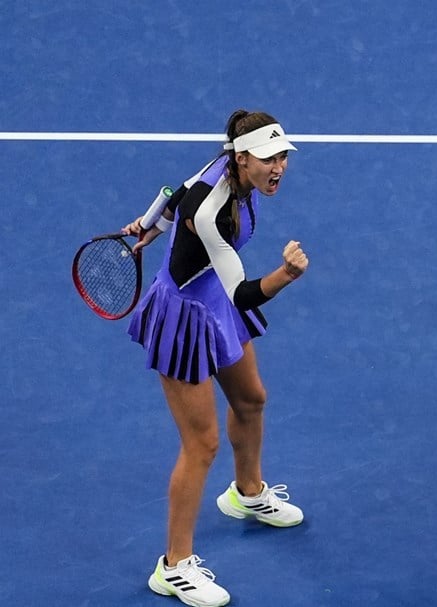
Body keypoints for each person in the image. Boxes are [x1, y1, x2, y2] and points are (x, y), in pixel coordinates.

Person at [122, 109, 308, 606]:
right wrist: (286, 275)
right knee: (201, 444)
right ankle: (174, 567)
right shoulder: (211, 212)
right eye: (268, 159)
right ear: (242, 158)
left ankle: (246, 492)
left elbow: (172, 192)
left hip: (214, 303)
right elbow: (245, 293)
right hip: (184, 315)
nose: (278, 168)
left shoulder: (225, 166)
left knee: (251, 400)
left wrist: (146, 225)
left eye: (282, 157)